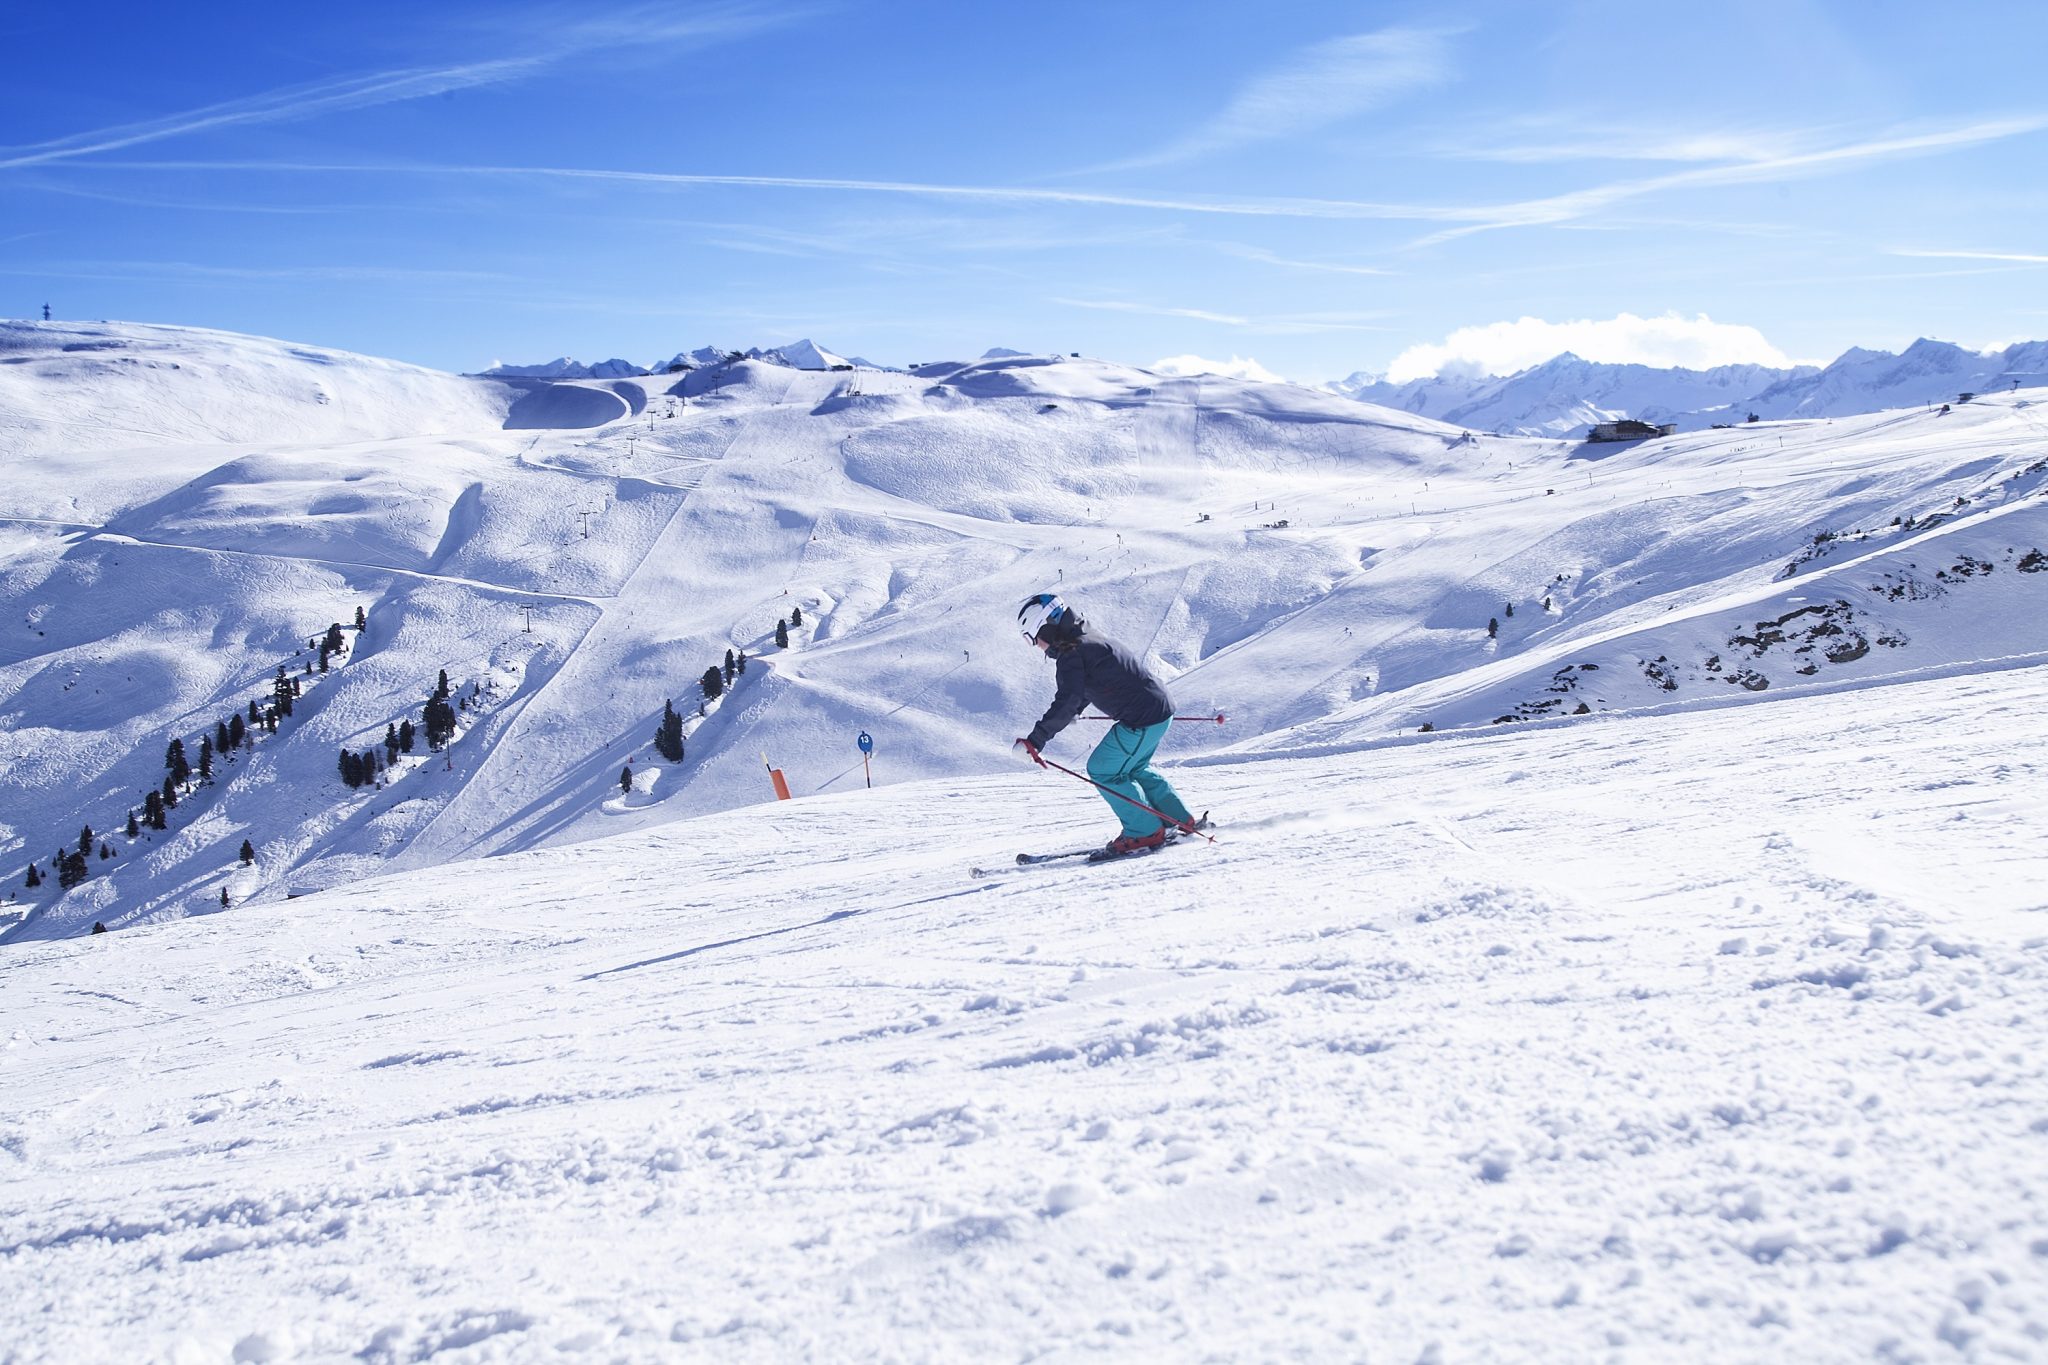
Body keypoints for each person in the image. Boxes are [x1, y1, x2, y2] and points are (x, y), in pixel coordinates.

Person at [1012, 592, 1202, 856]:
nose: (1036, 646)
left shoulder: (1072, 653)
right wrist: (1075, 711)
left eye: (1032, 639)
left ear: (1046, 627)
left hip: (1142, 720)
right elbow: (1085, 689)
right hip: (1159, 710)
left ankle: (1145, 831)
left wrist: (1035, 741)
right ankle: (1175, 818)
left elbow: (1068, 698)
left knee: (1103, 770)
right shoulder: (1087, 638)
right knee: (1133, 768)